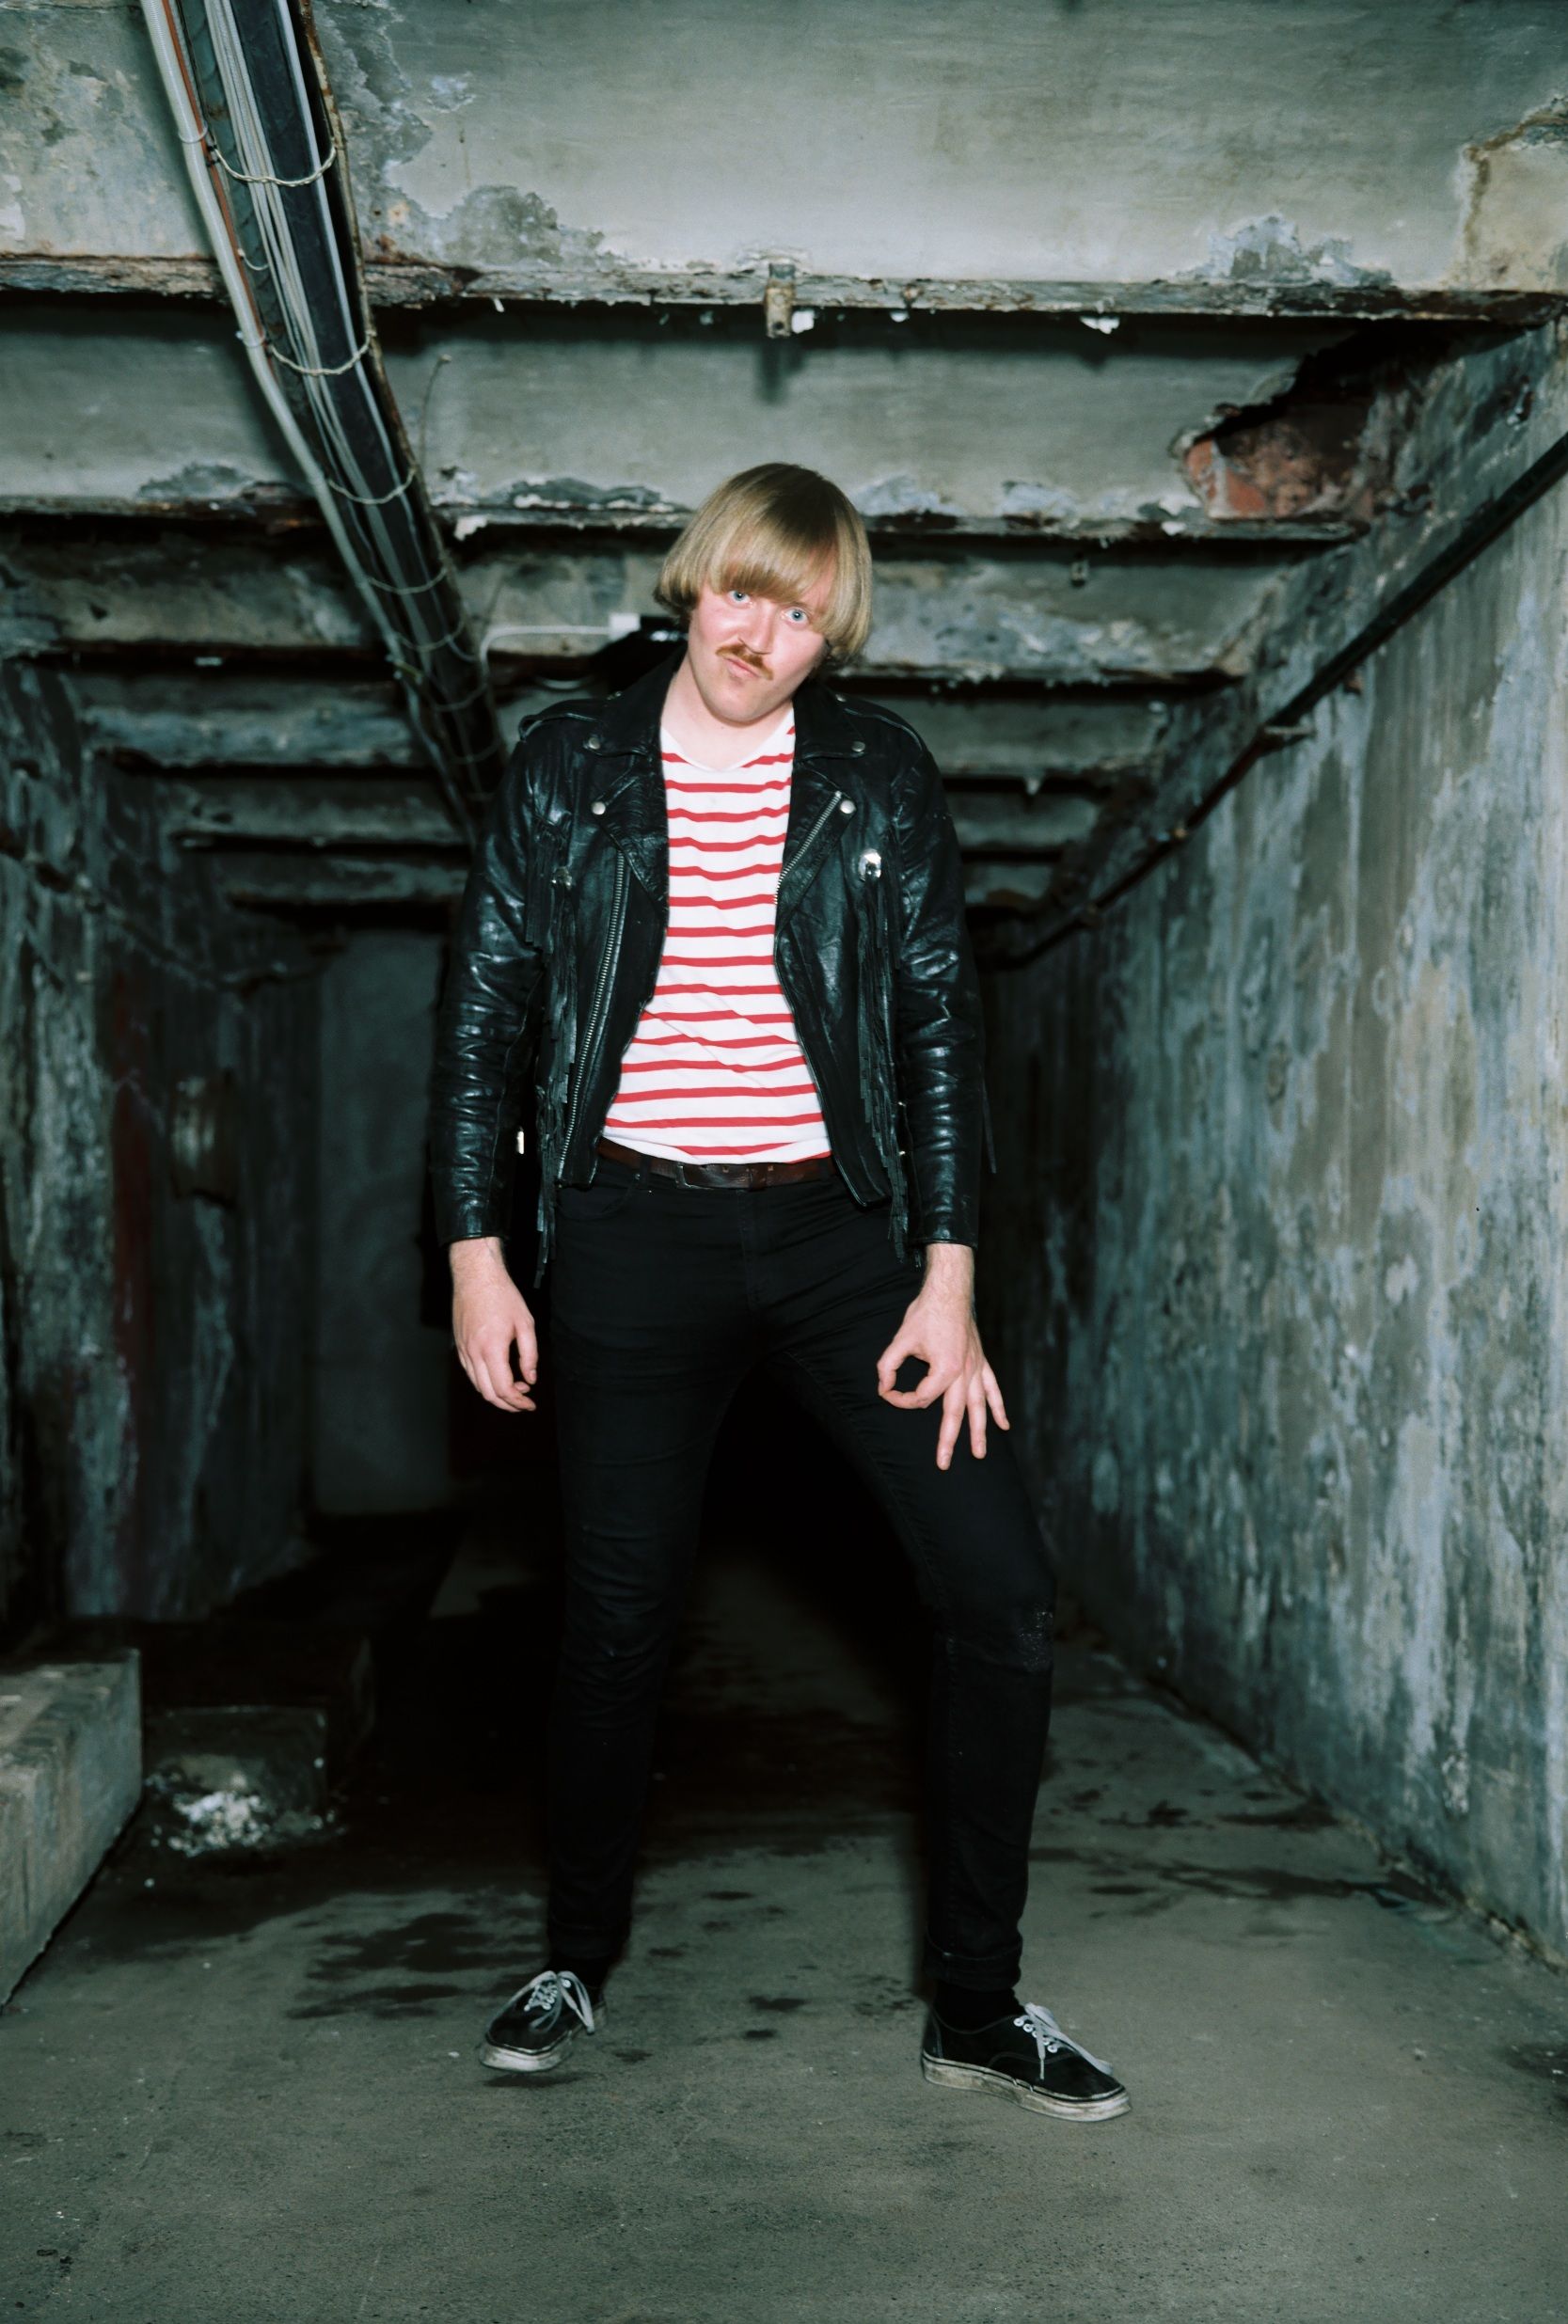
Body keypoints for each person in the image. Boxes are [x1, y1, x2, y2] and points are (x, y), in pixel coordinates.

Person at [428, 463, 1129, 2124]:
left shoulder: (877, 779)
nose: (760, 633)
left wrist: (947, 1277)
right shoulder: (572, 769)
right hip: (628, 1231)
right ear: (695, 582)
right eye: (744, 589)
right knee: (618, 1615)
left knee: (999, 1591)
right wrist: (476, 1250)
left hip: (842, 1241)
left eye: (803, 613)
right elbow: (487, 1013)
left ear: (833, 637)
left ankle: (978, 2004)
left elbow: (940, 1022)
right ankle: (574, 1956)